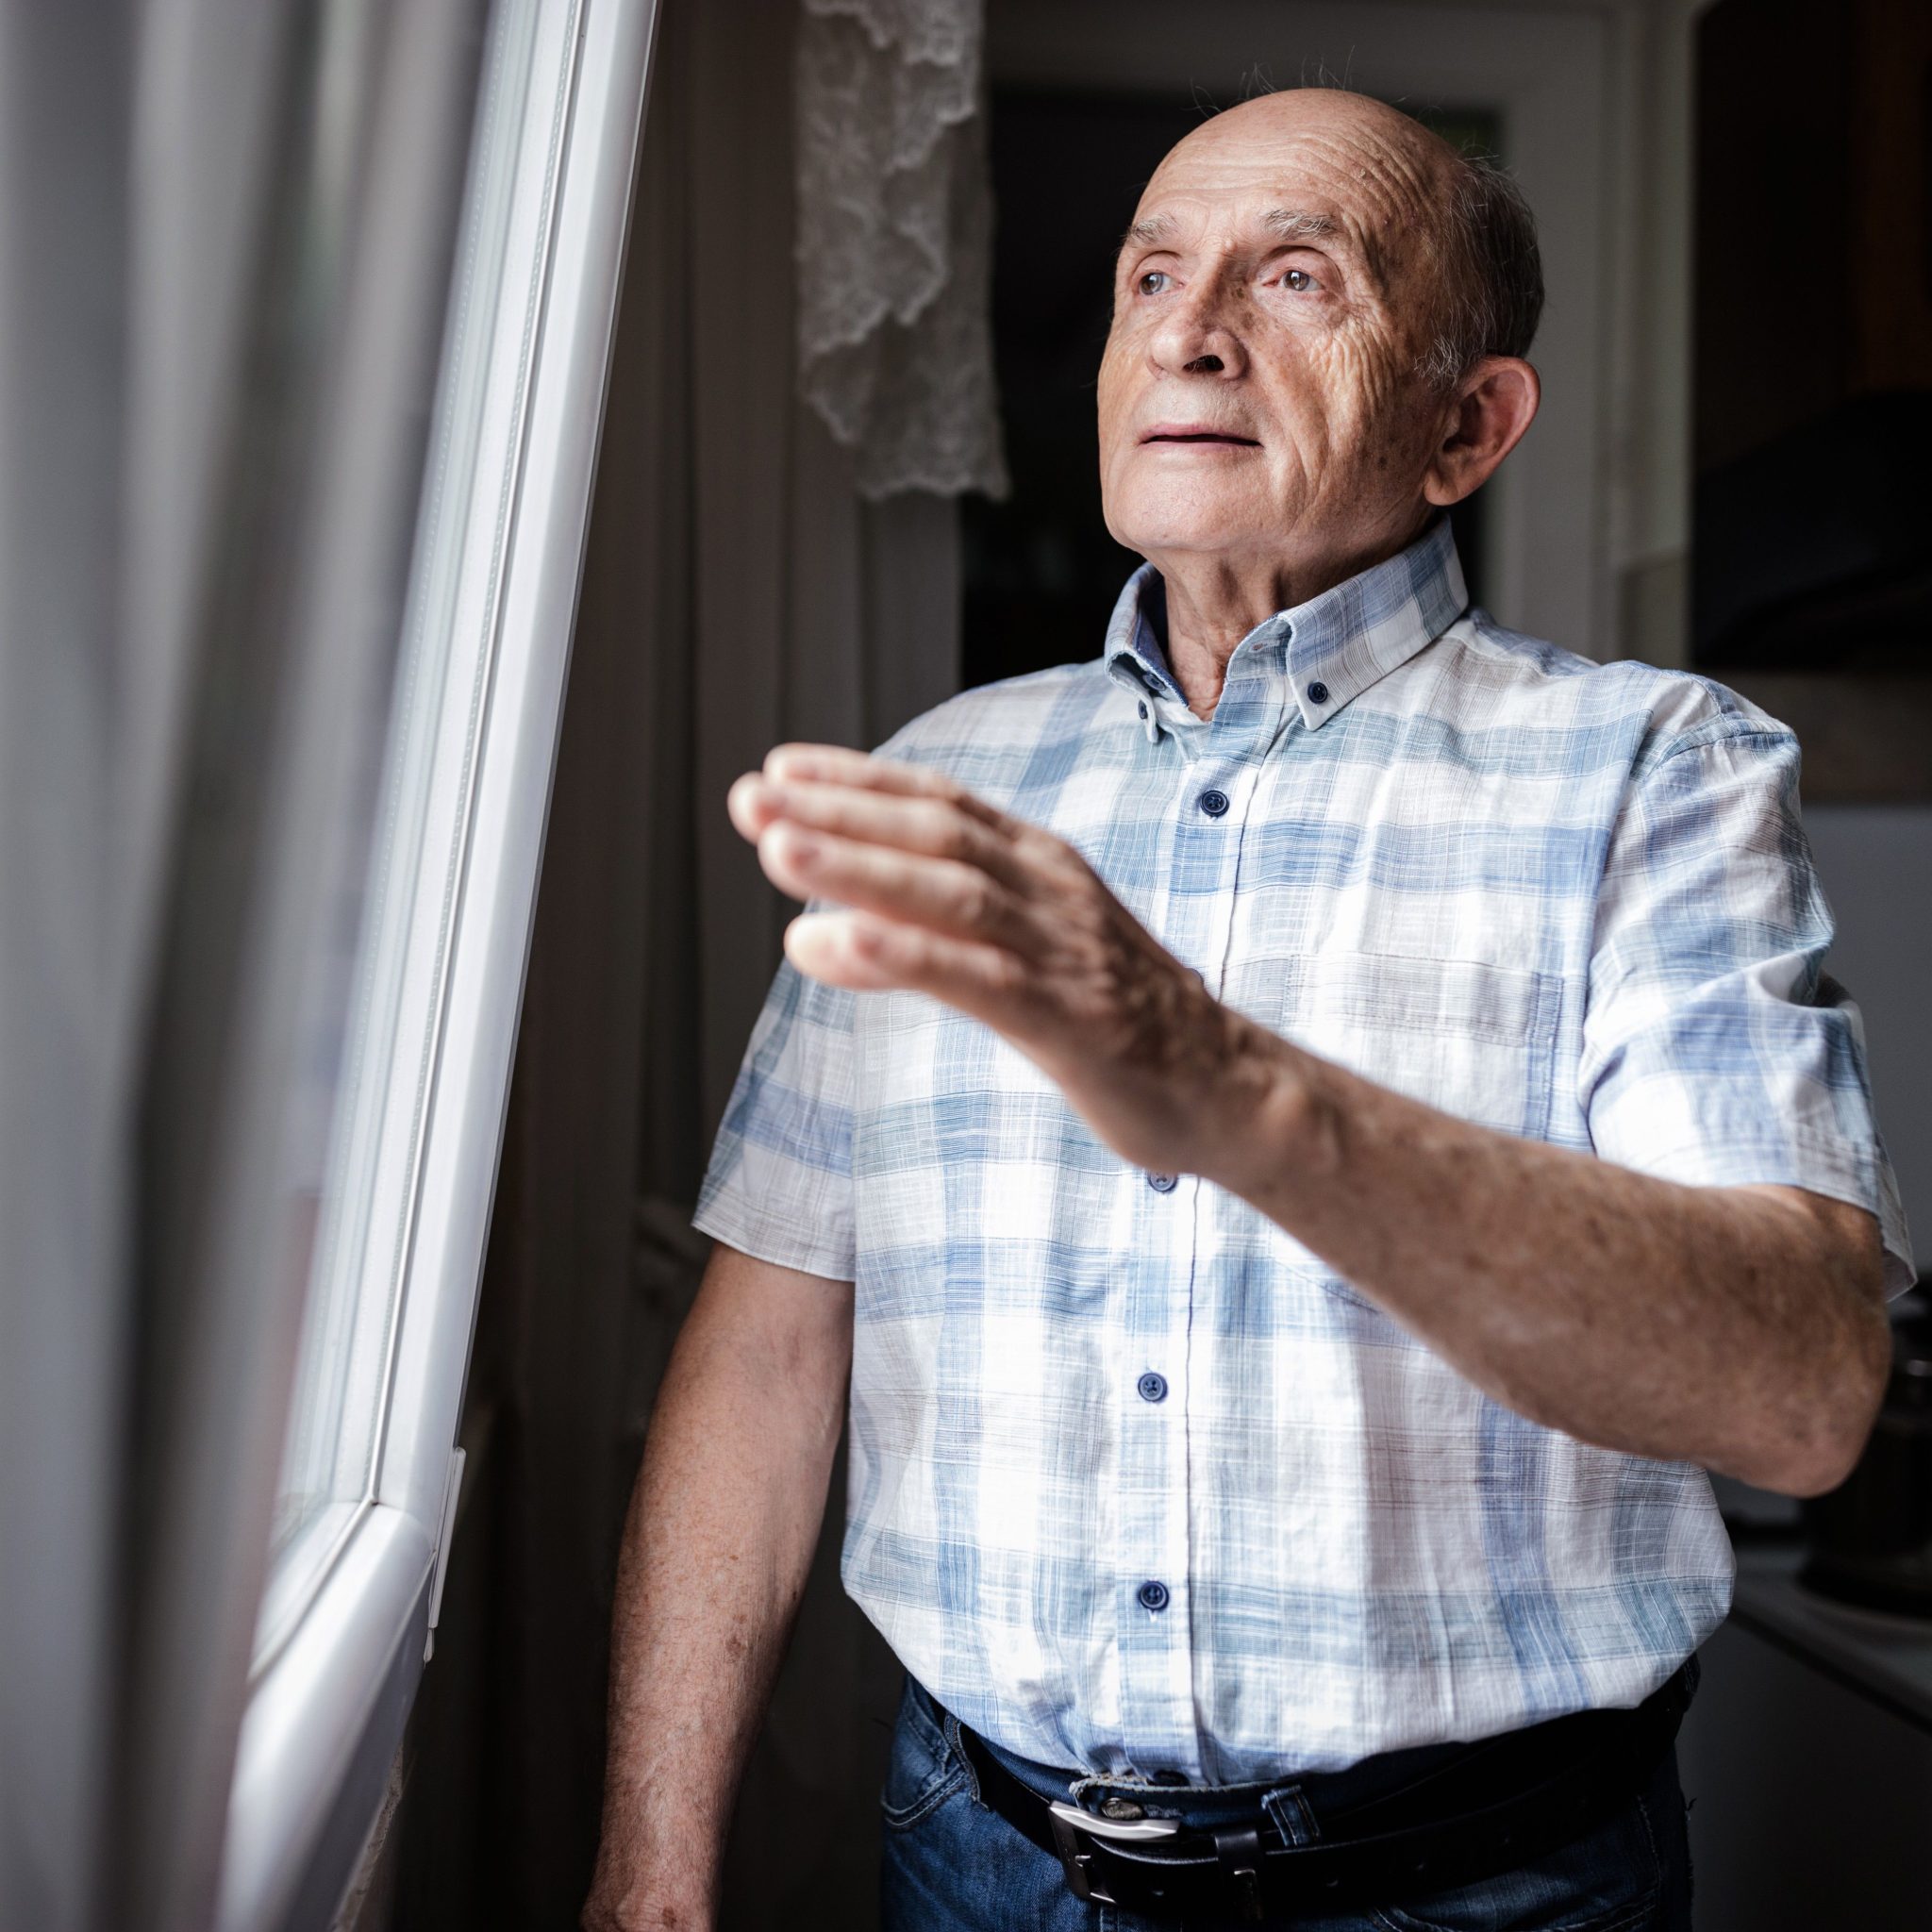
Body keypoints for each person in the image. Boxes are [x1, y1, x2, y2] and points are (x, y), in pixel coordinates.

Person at [583, 87, 1913, 1932]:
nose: (1187, 332)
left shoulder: (1651, 773)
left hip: (1478, 1894)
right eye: (1151, 276)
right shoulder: (939, 782)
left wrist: (1225, 1085)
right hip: (973, 1863)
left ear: (1467, 425)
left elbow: (1802, 1394)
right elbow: (767, 1350)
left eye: (1297, 277)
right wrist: (648, 1876)